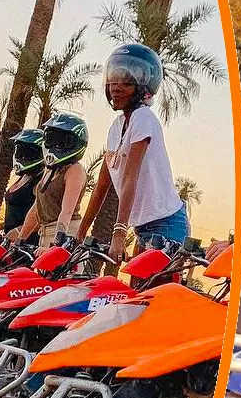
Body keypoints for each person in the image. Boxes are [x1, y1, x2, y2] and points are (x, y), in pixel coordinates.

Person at [79, 44, 189, 263]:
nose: (117, 87)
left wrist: (119, 234)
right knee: (137, 294)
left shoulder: (143, 118)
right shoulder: (116, 126)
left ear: (144, 86)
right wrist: (80, 233)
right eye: (113, 79)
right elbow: (102, 185)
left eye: (127, 81)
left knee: (151, 295)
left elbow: (131, 177)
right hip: (142, 228)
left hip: (166, 224)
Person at [9, 113, 88, 251]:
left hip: (65, 235)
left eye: (62, 141)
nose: (55, 145)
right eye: (51, 139)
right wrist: (19, 240)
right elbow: (36, 209)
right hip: (45, 235)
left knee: (63, 273)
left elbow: (66, 211)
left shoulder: (75, 170)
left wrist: (57, 242)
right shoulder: (49, 170)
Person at [0, 128, 46, 245]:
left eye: (25, 151)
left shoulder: (40, 180)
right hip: (11, 241)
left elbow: (43, 216)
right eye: (18, 150)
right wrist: (1, 226)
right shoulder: (23, 177)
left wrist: (19, 231)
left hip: (27, 243)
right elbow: (18, 213)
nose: (19, 155)